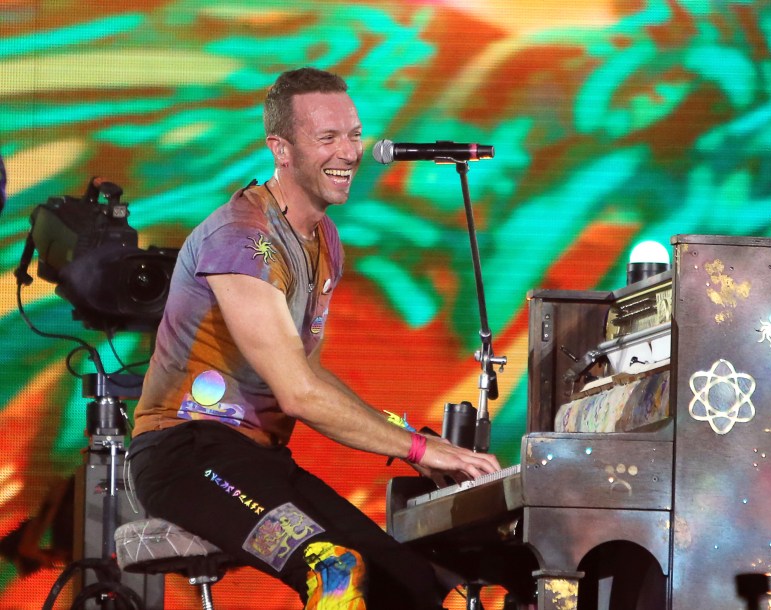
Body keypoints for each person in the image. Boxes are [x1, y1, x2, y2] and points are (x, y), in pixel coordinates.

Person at [128, 67, 501, 610]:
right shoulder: (242, 238)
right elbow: (298, 394)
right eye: (327, 138)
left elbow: (310, 371)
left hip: (256, 458)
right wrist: (420, 446)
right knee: (336, 570)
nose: (349, 152)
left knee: (413, 585)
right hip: (184, 453)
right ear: (280, 149)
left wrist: (404, 437)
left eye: (353, 134)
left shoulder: (323, 237)